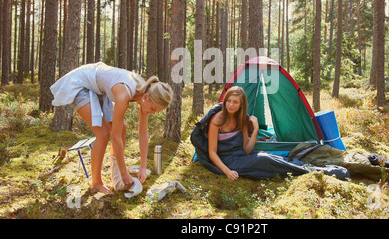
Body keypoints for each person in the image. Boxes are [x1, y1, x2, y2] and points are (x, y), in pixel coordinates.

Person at [51, 62, 173, 195]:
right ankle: (96, 183)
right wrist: (125, 172)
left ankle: (116, 174)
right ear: (146, 97)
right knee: (103, 133)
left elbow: (143, 134)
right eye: (153, 109)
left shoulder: (145, 92)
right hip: (81, 83)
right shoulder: (124, 96)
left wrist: (143, 167)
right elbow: (115, 138)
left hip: (100, 88)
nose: (153, 113)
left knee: (122, 129)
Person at [203, 86, 349, 181]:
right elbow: (212, 153)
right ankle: (320, 172)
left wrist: (253, 130)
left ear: (241, 105)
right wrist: (227, 171)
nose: (230, 105)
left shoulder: (241, 120)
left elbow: (246, 150)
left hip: (241, 157)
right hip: (228, 162)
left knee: (272, 158)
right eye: (228, 101)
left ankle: (318, 169)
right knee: (265, 159)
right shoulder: (217, 120)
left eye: (235, 102)